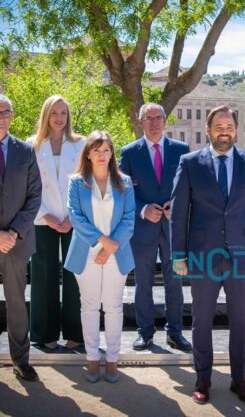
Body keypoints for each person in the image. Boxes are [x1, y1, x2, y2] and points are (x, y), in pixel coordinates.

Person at [171, 105, 245, 405]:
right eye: (219, 125)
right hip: (202, 255)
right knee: (201, 319)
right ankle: (202, 379)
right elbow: (178, 212)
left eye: (229, 125)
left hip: (242, 254)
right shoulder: (190, 163)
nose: (224, 130)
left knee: (241, 319)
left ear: (236, 130)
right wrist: (178, 255)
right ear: (209, 128)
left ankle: (239, 379)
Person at [119, 103, 191, 352]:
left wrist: (178, 206)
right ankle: (145, 333)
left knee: (175, 282)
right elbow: (123, 192)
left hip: (174, 229)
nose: (154, 122)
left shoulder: (182, 151)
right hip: (143, 228)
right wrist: (143, 209)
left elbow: (189, 187)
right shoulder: (129, 153)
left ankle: (175, 333)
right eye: (148, 118)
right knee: (143, 283)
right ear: (141, 122)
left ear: (165, 120)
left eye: (158, 117)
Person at [65, 131, 135, 383]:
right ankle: (93, 358)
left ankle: (113, 360)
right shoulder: (76, 182)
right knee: (90, 306)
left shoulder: (124, 182)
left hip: (117, 251)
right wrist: (101, 242)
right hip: (86, 251)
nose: (102, 155)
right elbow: (75, 217)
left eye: (106, 150)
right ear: (88, 154)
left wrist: (108, 247)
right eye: (96, 150)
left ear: (112, 153)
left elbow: (129, 219)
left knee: (114, 307)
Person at [26, 95, 85, 350]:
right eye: (54, 113)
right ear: (45, 116)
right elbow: (28, 187)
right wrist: (43, 214)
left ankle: (76, 333)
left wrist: (74, 217)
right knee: (43, 276)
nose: (59, 118)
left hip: (74, 220)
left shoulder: (80, 144)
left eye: (63, 113)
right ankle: (44, 333)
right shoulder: (32, 145)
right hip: (43, 219)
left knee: (75, 277)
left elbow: (88, 183)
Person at [0, 94, 42, 381]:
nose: (0, 116)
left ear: (12, 115)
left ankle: (20, 362)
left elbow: (34, 196)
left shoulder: (25, 152)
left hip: (17, 242)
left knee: (17, 303)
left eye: (4, 111)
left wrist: (12, 232)